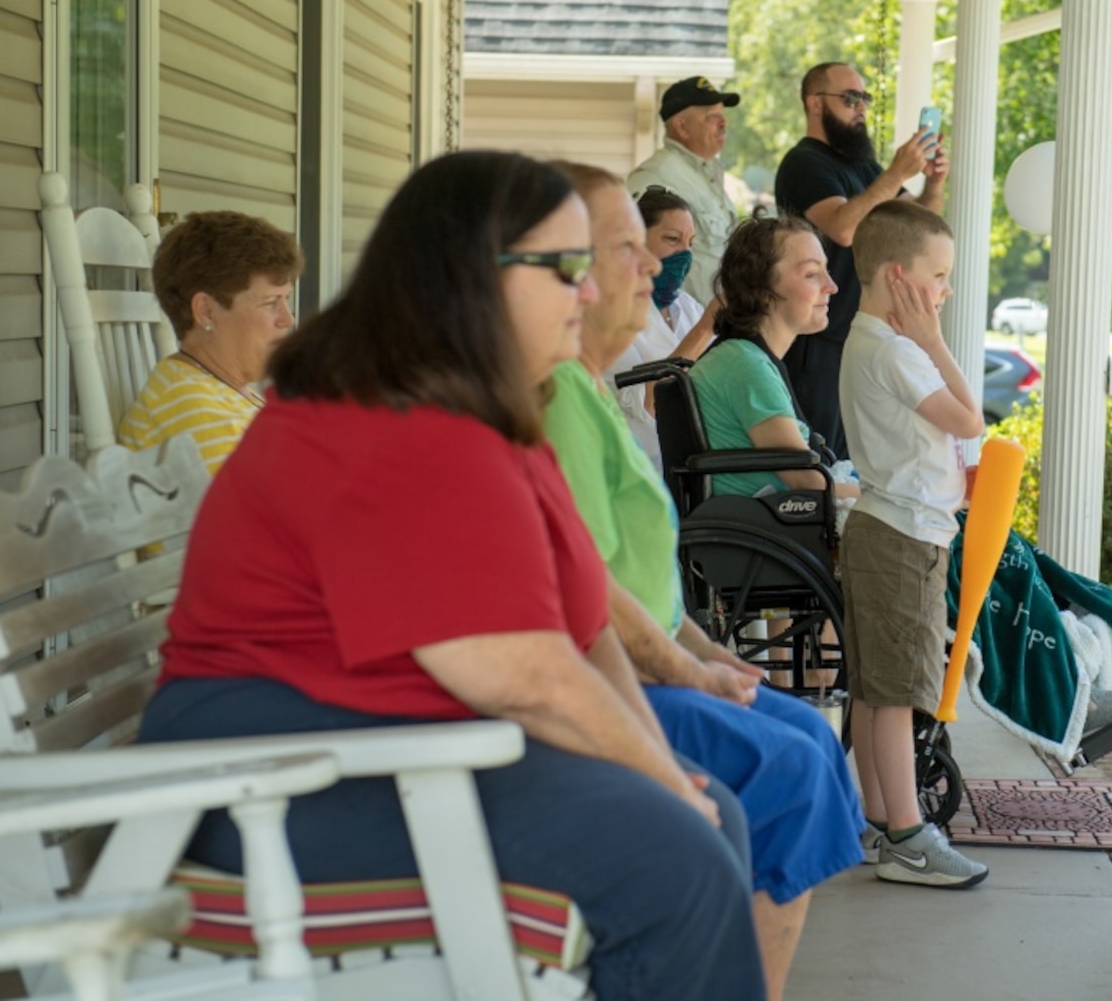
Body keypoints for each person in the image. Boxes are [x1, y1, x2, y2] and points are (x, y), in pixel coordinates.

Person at [135, 150, 767, 1001]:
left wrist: (660, 770)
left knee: (703, 815)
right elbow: (522, 676)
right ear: (474, 274)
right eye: (568, 267)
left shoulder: (493, 409)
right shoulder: (384, 414)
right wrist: (661, 792)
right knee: (675, 858)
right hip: (271, 782)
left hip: (383, 750)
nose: (590, 293)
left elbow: (581, 628)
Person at [544, 162, 864, 1001]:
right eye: (632, 248)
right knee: (790, 761)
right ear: (563, 271)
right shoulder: (544, 402)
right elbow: (577, 595)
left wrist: (700, 647)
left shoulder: (578, 392)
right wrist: (686, 669)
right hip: (587, 684)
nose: (655, 266)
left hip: (634, 657)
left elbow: (631, 577)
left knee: (804, 733)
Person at [838, 199, 989, 888]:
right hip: (902, 534)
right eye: (938, 275)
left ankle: (878, 819)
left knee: (875, 690)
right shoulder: (897, 350)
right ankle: (906, 834)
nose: (945, 290)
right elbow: (968, 419)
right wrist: (933, 340)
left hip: (889, 526)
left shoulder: (870, 341)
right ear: (899, 279)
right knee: (895, 691)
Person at [775, 62, 948, 459]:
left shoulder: (865, 168)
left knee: (860, 458)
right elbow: (843, 228)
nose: (861, 107)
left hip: (862, 334)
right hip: (817, 338)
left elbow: (923, 227)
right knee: (820, 457)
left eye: (865, 98)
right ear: (815, 103)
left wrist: (933, 182)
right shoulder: (804, 163)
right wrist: (895, 173)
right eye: (850, 97)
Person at [688, 213, 860, 502]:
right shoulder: (745, 366)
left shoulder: (741, 357)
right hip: (766, 535)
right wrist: (886, 499)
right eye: (811, 274)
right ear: (761, 288)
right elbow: (807, 481)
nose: (832, 286)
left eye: (826, 271)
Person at [117, 211, 301, 474]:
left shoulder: (223, 390)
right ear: (206, 311)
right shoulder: (193, 409)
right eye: (271, 303)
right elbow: (264, 511)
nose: (288, 319)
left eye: (286, 300)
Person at [607, 186, 719, 472]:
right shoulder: (608, 312)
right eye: (672, 239)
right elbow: (648, 404)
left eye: (690, 243)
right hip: (638, 470)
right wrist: (706, 328)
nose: (684, 255)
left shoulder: (687, 306)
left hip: (696, 467)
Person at [625, 76, 740, 305]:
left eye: (723, 116)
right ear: (682, 127)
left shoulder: (709, 173)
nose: (723, 123)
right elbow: (628, 252)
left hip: (716, 323)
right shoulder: (655, 175)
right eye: (712, 117)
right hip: (677, 327)